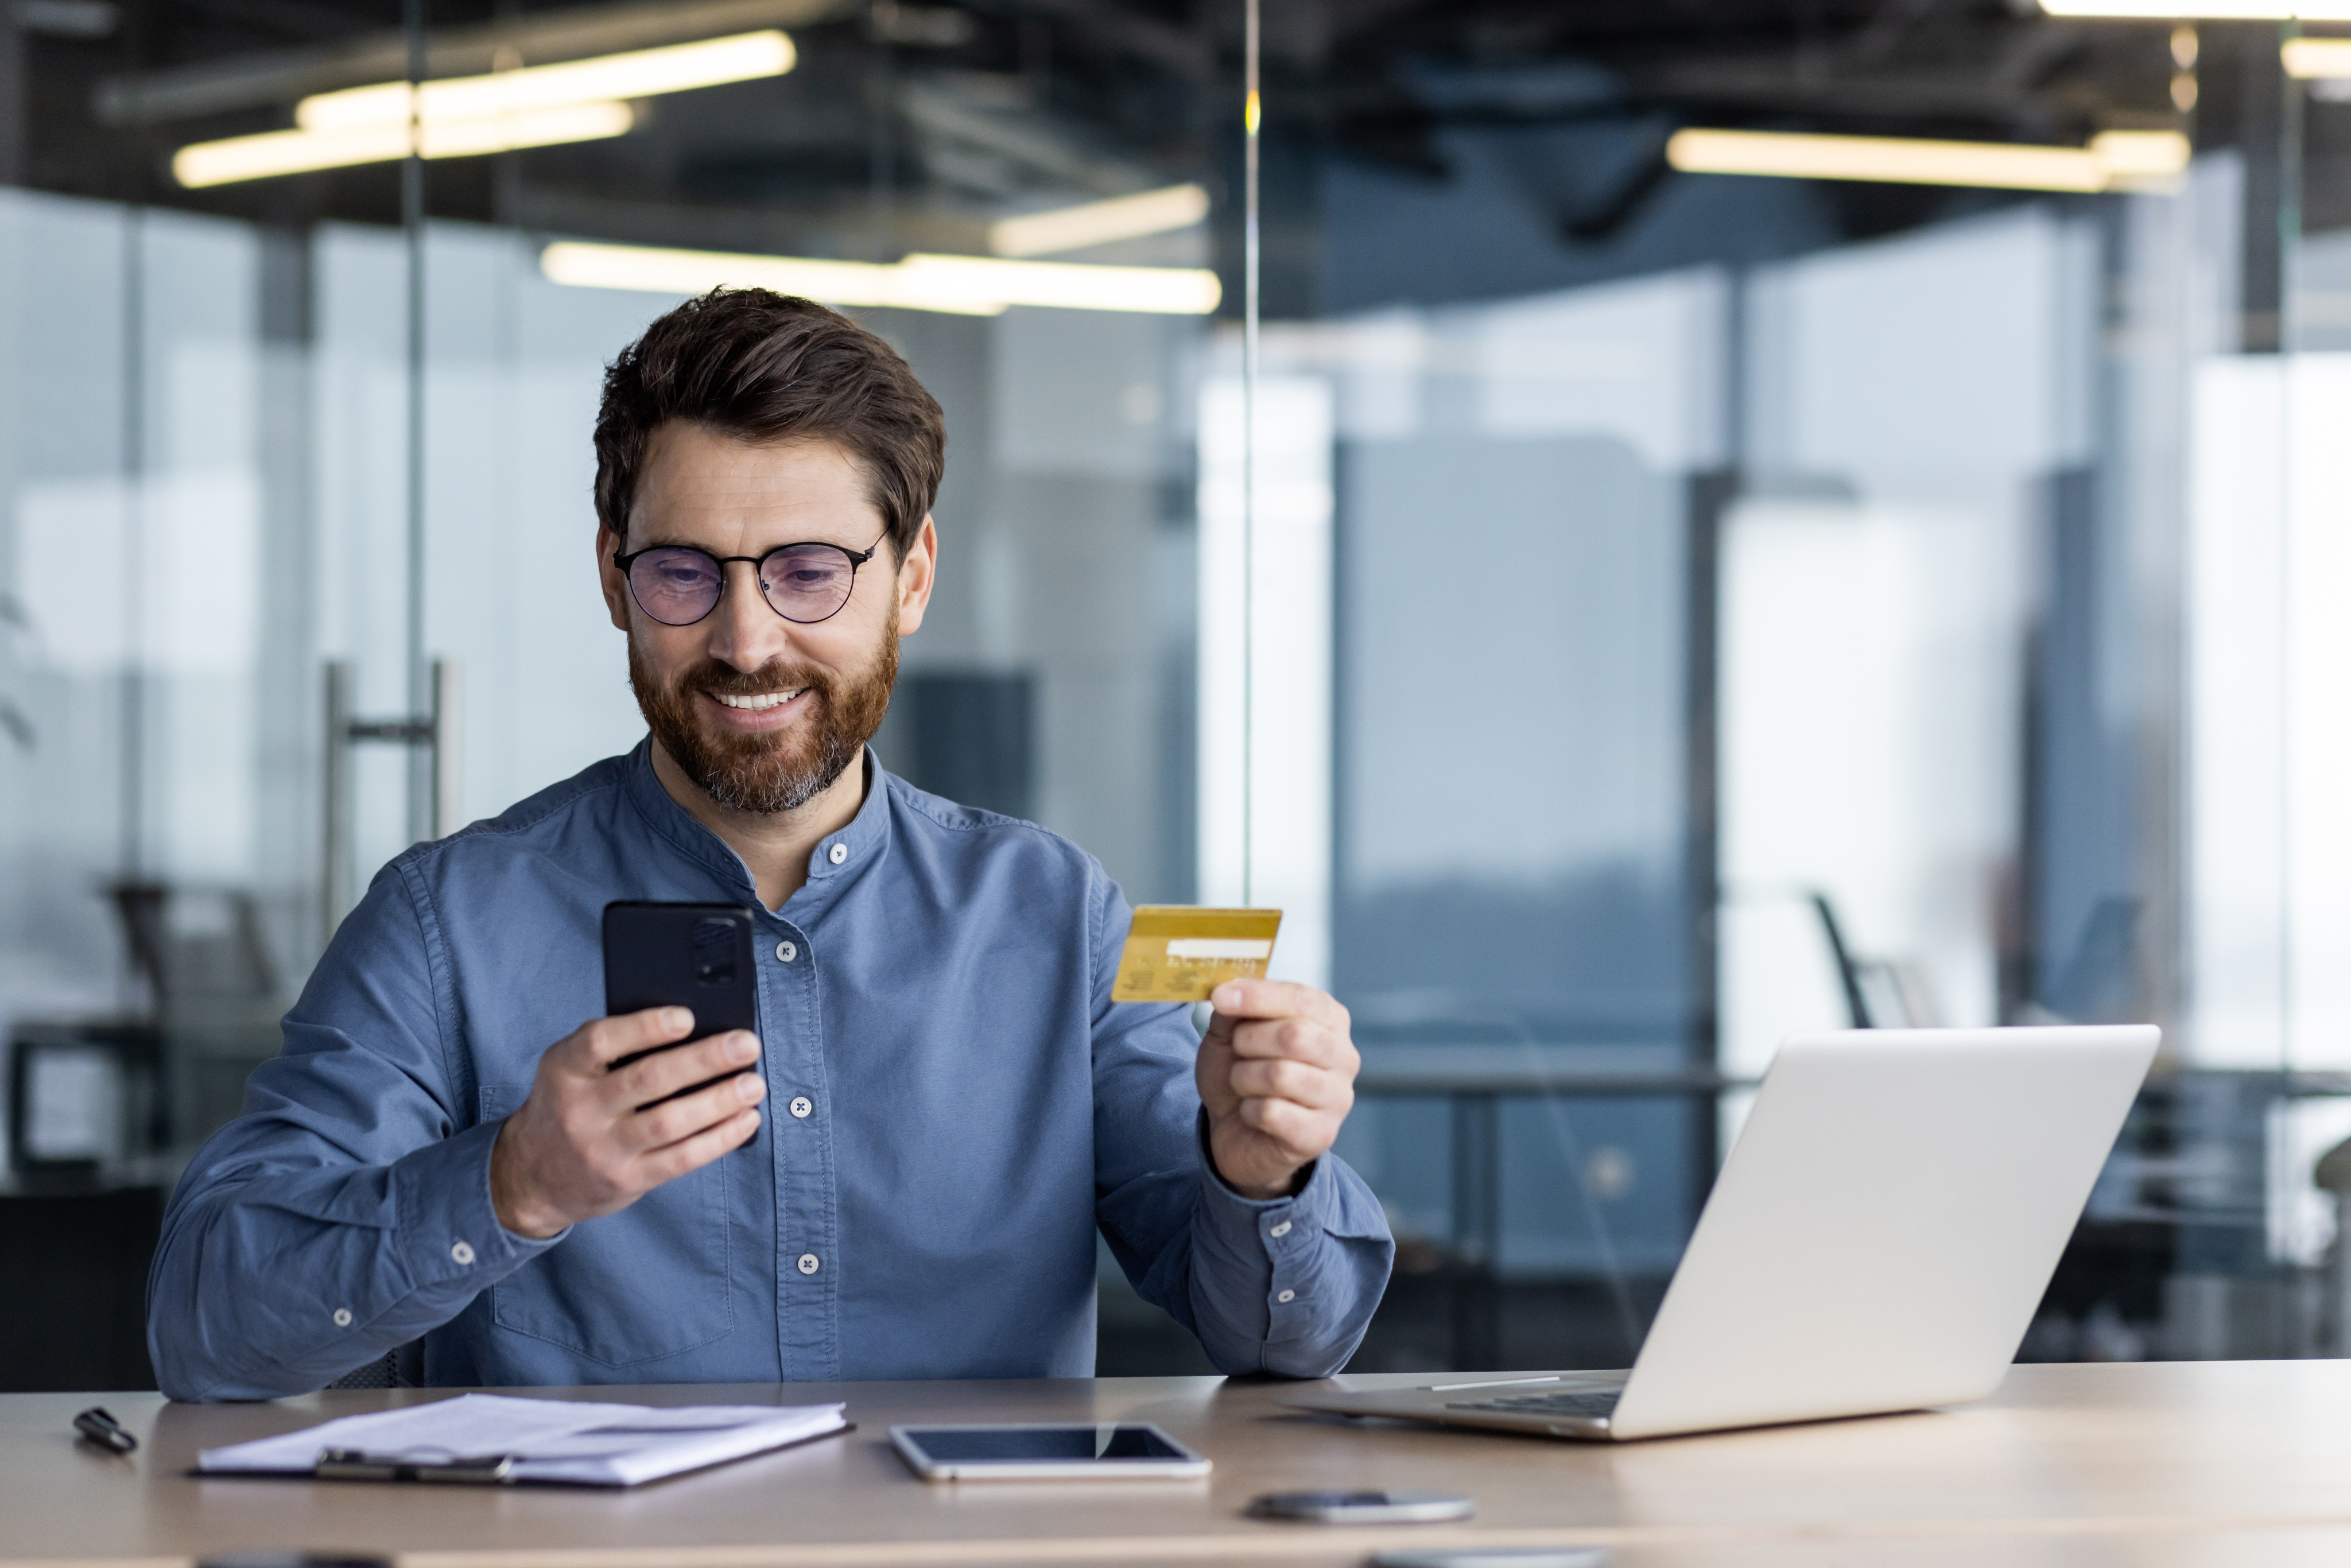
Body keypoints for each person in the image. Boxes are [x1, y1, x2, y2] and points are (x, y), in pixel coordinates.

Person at [146, 289, 1394, 1401]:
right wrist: (509, 1184)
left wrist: (1263, 1171)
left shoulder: (1056, 916)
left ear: (910, 580)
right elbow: (207, 1327)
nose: (745, 640)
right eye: (684, 573)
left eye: (808, 572)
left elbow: (1288, 1346)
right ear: (611, 576)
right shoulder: (445, 922)